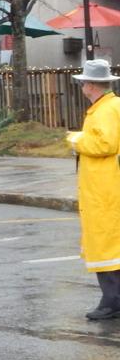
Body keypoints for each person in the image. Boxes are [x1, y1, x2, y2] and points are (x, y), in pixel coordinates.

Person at [67, 58, 120, 320]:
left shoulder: (106, 110)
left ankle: (111, 301)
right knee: (110, 243)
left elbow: (105, 144)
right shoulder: (109, 107)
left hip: (105, 188)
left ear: (91, 85)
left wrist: (76, 139)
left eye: (84, 83)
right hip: (106, 186)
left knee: (105, 244)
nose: (82, 88)